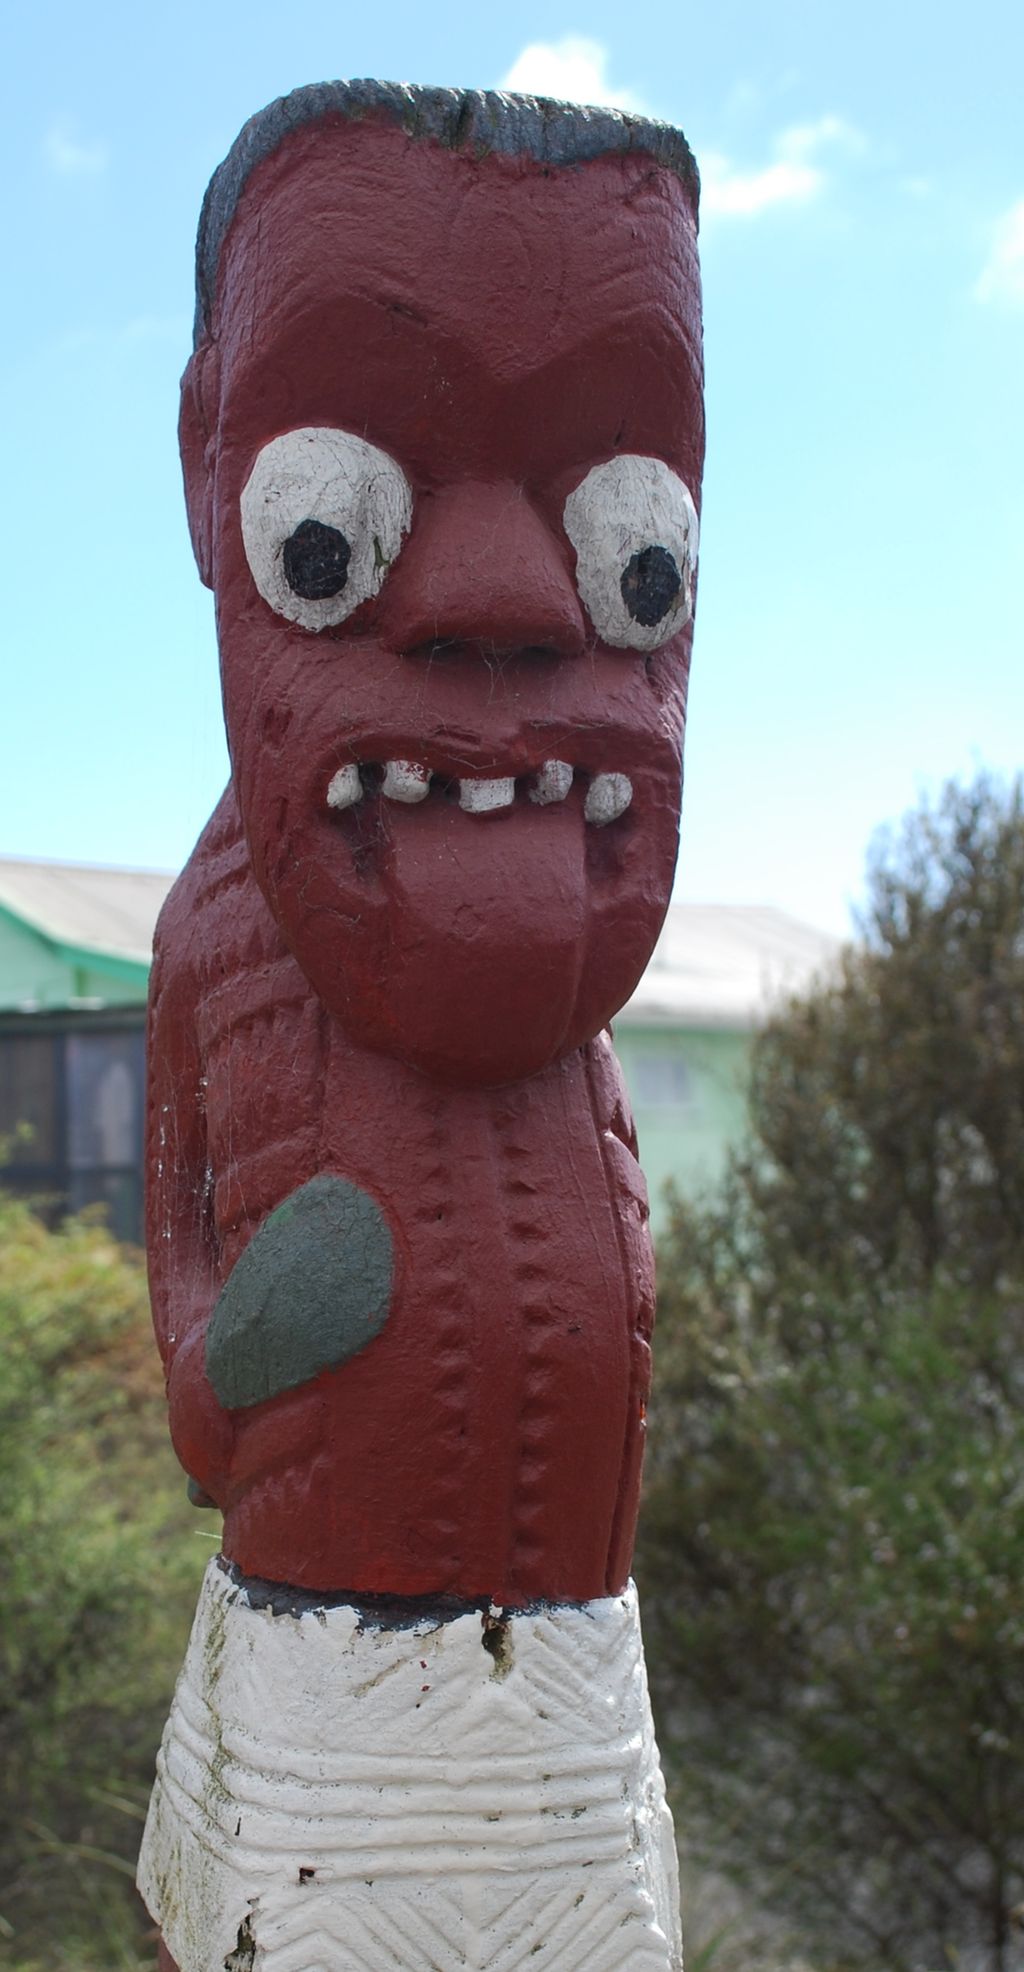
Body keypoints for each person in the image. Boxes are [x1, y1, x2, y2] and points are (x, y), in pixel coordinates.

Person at [141, 80, 703, 1972]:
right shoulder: (221, 935)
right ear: (213, 485)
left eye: (640, 545)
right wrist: (241, 1359)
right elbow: (182, 1314)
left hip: (575, 1711)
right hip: (320, 1726)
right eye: (337, 523)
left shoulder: (583, 1005)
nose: (502, 598)